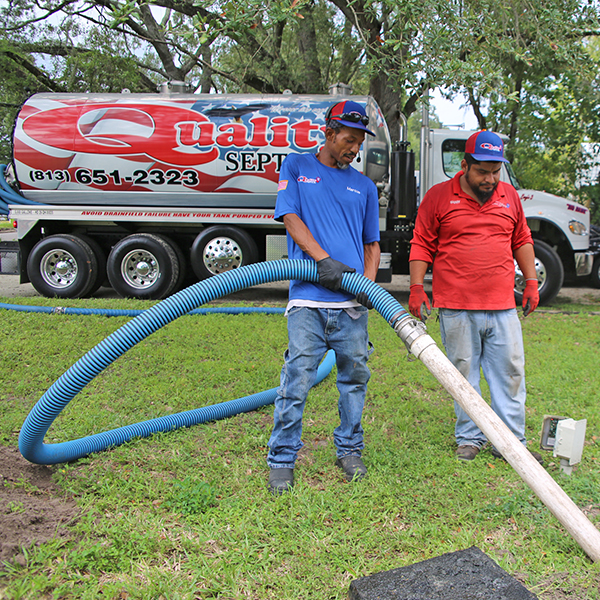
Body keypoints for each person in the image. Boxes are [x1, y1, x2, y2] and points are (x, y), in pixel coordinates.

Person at [266, 100, 381, 495]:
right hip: (308, 301)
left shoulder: (365, 186)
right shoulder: (297, 167)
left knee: (354, 379)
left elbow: (371, 245)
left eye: (359, 143)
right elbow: (291, 218)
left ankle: (350, 449)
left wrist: (365, 289)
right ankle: (282, 459)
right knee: (297, 378)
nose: (354, 149)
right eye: (348, 140)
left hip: (350, 307)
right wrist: (322, 260)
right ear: (329, 133)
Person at [408, 130, 543, 463]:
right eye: (483, 171)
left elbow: (521, 238)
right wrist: (415, 287)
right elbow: (421, 243)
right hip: (456, 304)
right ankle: (470, 437)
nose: (490, 178)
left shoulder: (508, 195)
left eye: (496, 171)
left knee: (510, 372)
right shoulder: (439, 197)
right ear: (465, 165)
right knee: (462, 372)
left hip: (501, 304)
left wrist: (531, 282)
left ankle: (511, 442)